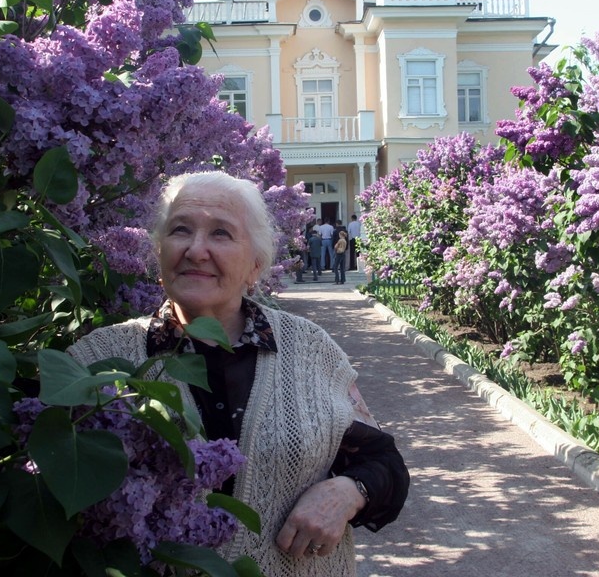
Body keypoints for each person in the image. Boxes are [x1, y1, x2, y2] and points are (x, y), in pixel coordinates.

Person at [67, 172, 408, 576]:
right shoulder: (98, 357)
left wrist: (349, 490)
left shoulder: (309, 349)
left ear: (255, 266)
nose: (196, 250)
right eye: (180, 231)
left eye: (221, 234)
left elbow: (384, 461)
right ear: (159, 253)